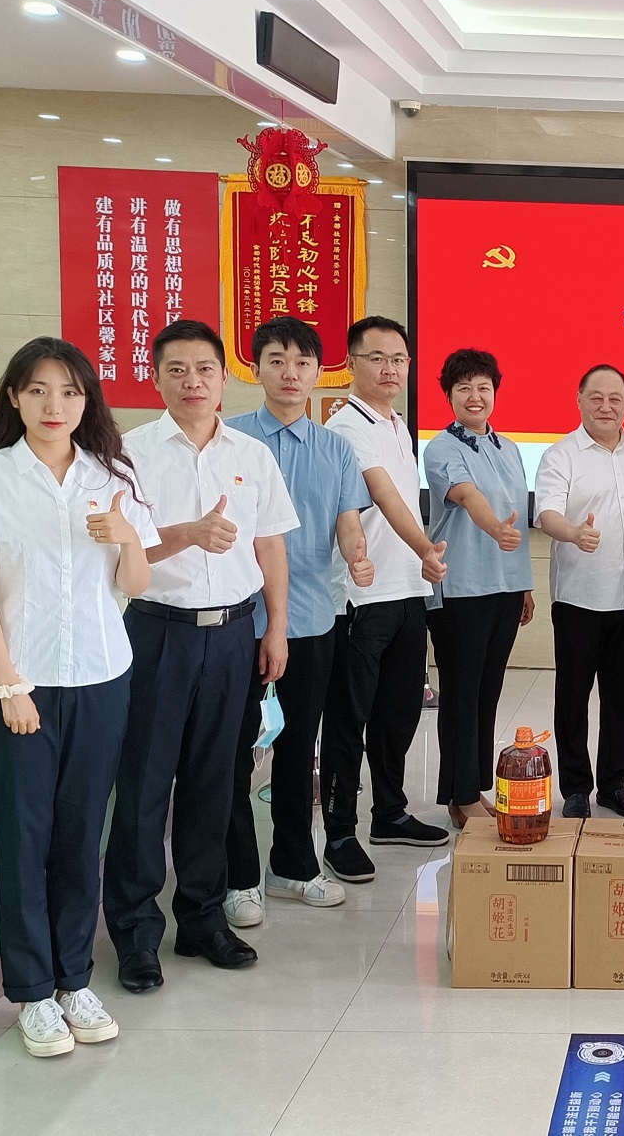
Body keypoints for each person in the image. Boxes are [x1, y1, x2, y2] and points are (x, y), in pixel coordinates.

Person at [0, 338, 156, 1058]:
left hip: (100, 675)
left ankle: (74, 981)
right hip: (19, 683)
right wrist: (9, 684)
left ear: (86, 399)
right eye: (37, 390)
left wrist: (127, 535)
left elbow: (135, 584)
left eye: (68, 391)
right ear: (14, 398)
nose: (53, 405)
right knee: (24, 837)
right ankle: (32, 993)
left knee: (80, 835)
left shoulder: (112, 474)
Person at [106, 319, 300, 993]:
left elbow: (270, 546)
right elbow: (120, 554)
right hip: (157, 633)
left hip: (233, 636)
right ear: (156, 378)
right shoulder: (126, 455)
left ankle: (201, 918)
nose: (193, 381)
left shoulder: (252, 454)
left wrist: (276, 628)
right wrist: (187, 533)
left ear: (224, 378)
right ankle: (136, 933)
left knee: (215, 784)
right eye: (178, 369)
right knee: (144, 787)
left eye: (205, 369)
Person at [221, 317, 375, 927]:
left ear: (320, 372)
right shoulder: (231, 440)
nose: (290, 373)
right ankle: (238, 878)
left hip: (311, 619)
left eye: (303, 363)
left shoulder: (336, 449)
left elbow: (348, 522)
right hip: (237, 620)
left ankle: (292, 865)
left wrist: (358, 556)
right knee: (233, 752)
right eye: (277, 360)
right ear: (255, 369)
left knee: (296, 746)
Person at [320, 316, 452, 881]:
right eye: (377, 358)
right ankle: (339, 831)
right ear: (353, 363)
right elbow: (385, 495)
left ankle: (390, 814)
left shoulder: (397, 423)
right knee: (349, 718)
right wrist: (427, 548)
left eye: (399, 359)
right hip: (362, 595)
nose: (390, 369)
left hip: (408, 590)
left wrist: (421, 564)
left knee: (398, 713)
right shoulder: (347, 426)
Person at [535, 364, 624, 819]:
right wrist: (573, 533)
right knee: (573, 695)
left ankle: (614, 784)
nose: (606, 406)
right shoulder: (561, 455)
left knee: (623, 697)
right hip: (579, 596)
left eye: (615, 398)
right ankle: (575, 788)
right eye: (596, 397)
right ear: (579, 400)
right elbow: (547, 514)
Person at [425, 347, 535, 830]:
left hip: (506, 587)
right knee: (461, 694)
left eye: (483, 387)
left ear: (495, 392)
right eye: (464, 388)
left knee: (488, 691)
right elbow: (468, 496)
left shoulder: (508, 447)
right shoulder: (441, 448)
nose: (475, 396)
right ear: (449, 395)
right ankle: (460, 795)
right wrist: (495, 530)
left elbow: (520, 521)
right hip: (461, 588)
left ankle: (474, 788)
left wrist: (524, 585)